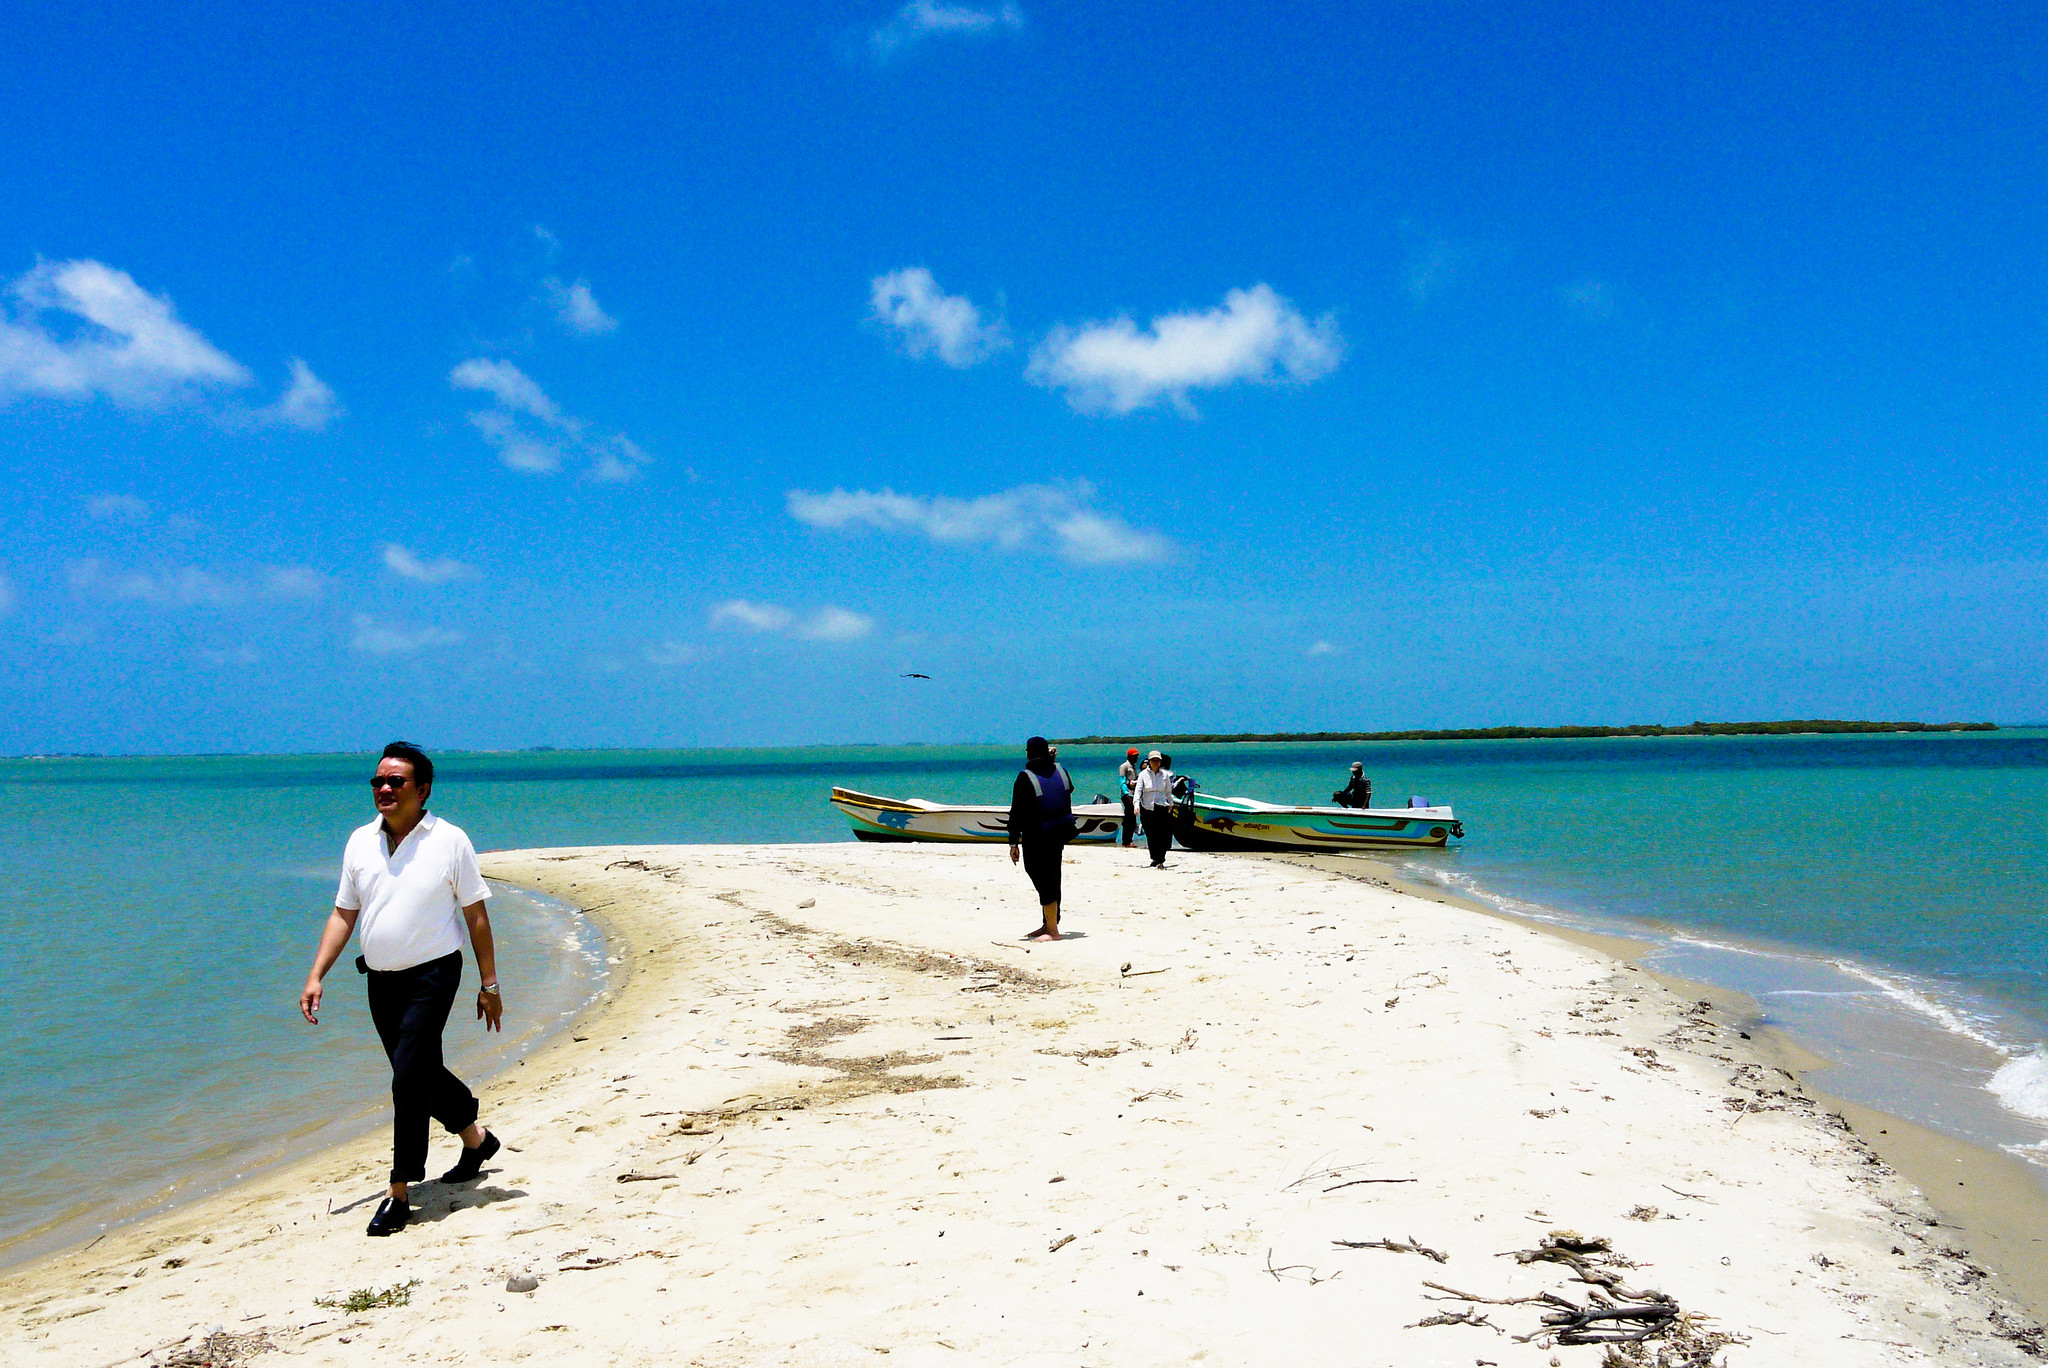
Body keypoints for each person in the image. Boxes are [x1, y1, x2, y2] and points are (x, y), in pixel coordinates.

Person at [300, 741, 505, 1238]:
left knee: (405, 1081)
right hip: (380, 980)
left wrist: (489, 983)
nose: (384, 789)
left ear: (423, 789)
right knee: (417, 1073)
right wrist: (316, 974)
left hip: (434, 975)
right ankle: (476, 1139)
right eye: (378, 781)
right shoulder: (359, 842)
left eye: (396, 781)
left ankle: (399, 1191)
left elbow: (475, 915)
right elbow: (343, 914)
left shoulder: (450, 840)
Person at [1008, 736, 1076, 940]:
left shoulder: (1025, 777)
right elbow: (1066, 790)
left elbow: (1016, 812)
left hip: (1037, 835)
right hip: (1060, 831)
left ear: (1028, 754)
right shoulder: (1062, 771)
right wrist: (1052, 761)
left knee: (1041, 876)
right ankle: (1049, 923)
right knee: (1053, 875)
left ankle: (1053, 931)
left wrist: (1013, 841)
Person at [1132, 749, 1177, 867]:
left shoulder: (1165, 775)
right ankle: (1155, 857)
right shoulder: (1143, 775)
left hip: (1162, 807)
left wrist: (1171, 804)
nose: (1155, 762)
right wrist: (1136, 806)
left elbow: (1168, 791)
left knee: (1163, 834)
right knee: (1151, 835)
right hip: (1147, 808)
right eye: (1153, 760)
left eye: (1157, 760)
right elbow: (1138, 791)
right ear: (1149, 762)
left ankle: (1161, 859)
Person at [1117, 747, 1142, 847]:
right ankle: (1126, 841)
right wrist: (1126, 794)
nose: (1136, 758)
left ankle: (1129, 840)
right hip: (1127, 795)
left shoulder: (1134, 767)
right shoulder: (1124, 766)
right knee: (1129, 818)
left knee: (1132, 818)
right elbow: (1122, 782)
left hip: (1133, 794)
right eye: (1134, 756)